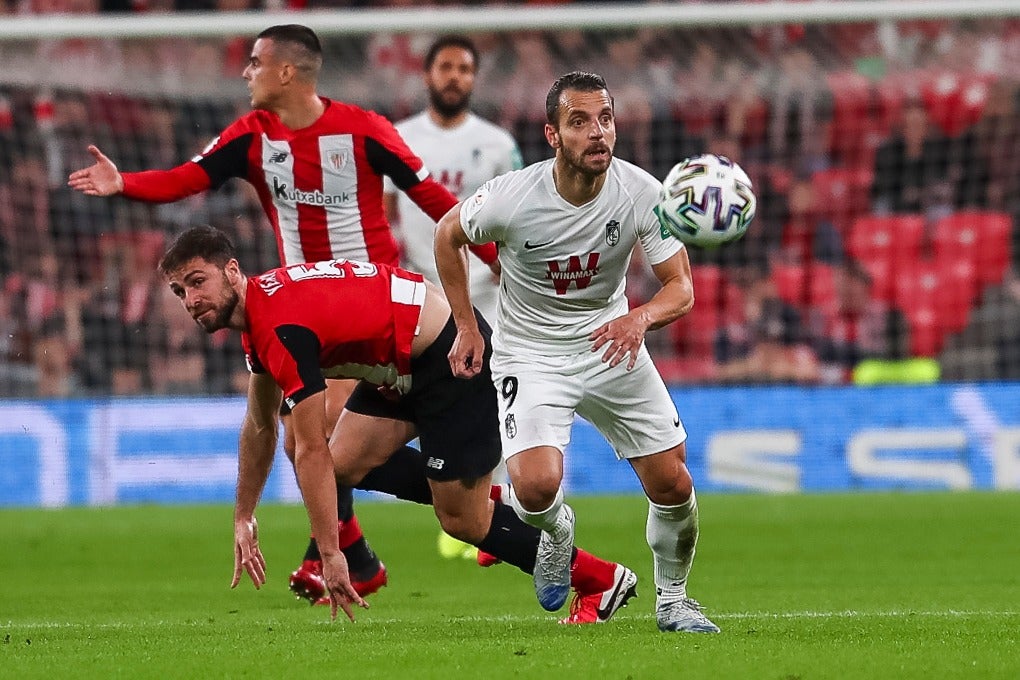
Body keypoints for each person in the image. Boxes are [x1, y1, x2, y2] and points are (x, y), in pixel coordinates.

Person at [68, 24, 499, 605]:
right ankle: (367, 547)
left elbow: (435, 203)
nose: (246, 72)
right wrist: (126, 183)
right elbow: (189, 179)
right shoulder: (252, 138)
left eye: (254, 62)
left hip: (373, 310)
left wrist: (497, 257)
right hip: (299, 307)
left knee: (317, 441)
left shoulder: (364, 131)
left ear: (287, 72)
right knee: (310, 443)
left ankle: (389, 536)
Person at [157, 225, 639, 624]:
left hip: (449, 358)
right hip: (402, 358)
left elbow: (306, 452)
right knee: (342, 462)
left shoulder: (278, 327)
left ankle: (601, 580)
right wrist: (243, 515)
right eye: (181, 291)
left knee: (461, 522)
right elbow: (260, 427)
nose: (190, 299)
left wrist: (331, 554)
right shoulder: (262, 313)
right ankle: (494, 500)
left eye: (198, 281)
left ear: (233, 271)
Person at [434, 71, 720, 633]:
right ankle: (558, 534)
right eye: (580, 121)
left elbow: (680, 287)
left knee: (675, 484)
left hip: (611, 342)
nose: (598, 133)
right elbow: (449, 235)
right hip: (531, 353)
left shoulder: (641, 193)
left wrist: (639, 318)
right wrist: (467, 326)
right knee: (534, 490)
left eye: (606, 119)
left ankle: (674, 600)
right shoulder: (514, 197)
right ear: (552, 134)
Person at [382, 34, 521, 562]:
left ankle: (497, 507)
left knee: (499, 394)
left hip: (490, 294)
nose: (455, 76)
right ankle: (466, 506)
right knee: (437, 400)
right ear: (427, 75)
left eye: (465, 68)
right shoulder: (400, 138)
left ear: (474, 78)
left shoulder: (497, 142)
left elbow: (516, 215)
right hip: (423, 297)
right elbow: (387, 214)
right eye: (446, 67)